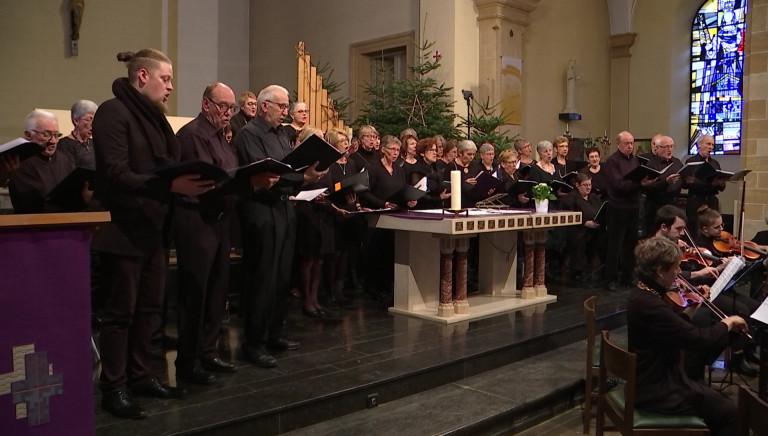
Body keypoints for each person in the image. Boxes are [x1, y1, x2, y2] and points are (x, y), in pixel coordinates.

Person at [92, 48, 215, 419]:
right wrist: (172, 187)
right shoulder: (113, 113)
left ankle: (141, 375)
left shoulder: (156, 118)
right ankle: (114, 387)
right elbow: (114, 174)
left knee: (149, 310)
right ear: (143, 76)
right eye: (166, 79)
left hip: (155, 230)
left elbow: (164, 166)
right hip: (123, 230)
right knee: (120, 313)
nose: (171, 87)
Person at [173, 82, 273, 385]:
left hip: (220, 221)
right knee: (196, 293)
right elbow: (208, 180)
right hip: (196, 220)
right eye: (222, 107)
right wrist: (249, 182)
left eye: (230, 108)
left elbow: (230, 172)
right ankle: (188, 361)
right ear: (206, 104)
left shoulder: (220, 137)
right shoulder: (192, 135)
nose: (228, 113)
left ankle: (208, 350)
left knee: (217, 291)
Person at [235, 84, 325, 368]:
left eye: (287, 106)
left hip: (284, 207)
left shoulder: (282, 134)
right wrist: (302, 179)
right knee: (263, 276)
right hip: (261, 209)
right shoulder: (249, 134)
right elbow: (264, 173)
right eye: (282, 106)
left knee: (282, 275)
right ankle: (254, 342)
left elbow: (287, 168)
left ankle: (274, 332)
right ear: (264, 106)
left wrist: (301, 175)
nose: (286, 112)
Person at [628, 237, 746, 436]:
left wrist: (692, 309)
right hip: (656, 389)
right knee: (729, 412)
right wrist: (727, 323)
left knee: (716, 401)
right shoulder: (650, 304)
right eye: (675, 268)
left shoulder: (644, 293)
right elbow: (698, 339)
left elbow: (671, 328)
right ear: (659, 271)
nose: (679, 273)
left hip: (658, 377)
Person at [293, 127, 335, 319]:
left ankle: (316, 298)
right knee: (308, 259)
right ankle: (307, 299)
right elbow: (296, 186)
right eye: (318, 139)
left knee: (320, 258)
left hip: (322, 212)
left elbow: (331, 185)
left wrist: (325, 197)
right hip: (305, 212)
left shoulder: (326, 163)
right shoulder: (301, 162)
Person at [602, 131, 652, 292]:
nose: (630, 146)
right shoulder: (612, 161)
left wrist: (640, 183)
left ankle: (627, 276)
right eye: (626, 143)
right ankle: (610, 278)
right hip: (617, 206)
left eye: (631, 143)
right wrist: (640, 184)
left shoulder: (636, 160)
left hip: (633, 205)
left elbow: (634, 180)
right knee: (615, 245)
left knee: (631, 244)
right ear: (618, 144)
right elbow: (618, 185)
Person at [9, 110, 82, 213]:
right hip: (34, 225)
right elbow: (33, 204)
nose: (52, 141)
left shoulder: (64, 159)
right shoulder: (19, 162)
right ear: (28, 135)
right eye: (46, 134)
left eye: (56, 135)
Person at [560, 172, 604, 281]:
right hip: (576, 229)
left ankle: (603, 270)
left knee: (605, 238)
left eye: (589, 184)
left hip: (593, 231)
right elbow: (569, 216)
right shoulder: (571, 198)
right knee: (580, 240)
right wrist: (585, 223)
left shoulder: (594, 198)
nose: (588, 187)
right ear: (578, 185)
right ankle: (577, 271)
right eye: (585, 185)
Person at [642, 135, 682, 236]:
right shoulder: (650, 164)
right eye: (666, 147)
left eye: (671, 146)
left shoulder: (677, 163)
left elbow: (683, 181)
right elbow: (647, 188)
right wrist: (666, 182)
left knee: (673, 235)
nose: (669, 150)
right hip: (656, 206)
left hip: (673, 204)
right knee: (654, 236)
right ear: (657, 148)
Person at [684, 134, 726, 230]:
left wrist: (719, 183)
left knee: (715, 228)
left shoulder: (714, 163)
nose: (710, 147)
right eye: (708, 144)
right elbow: (688, 183)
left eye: (712, 145)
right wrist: (710, 184)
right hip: (696, 201)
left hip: (712, 201)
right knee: (696, 229)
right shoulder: (691, 162)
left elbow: (722, 186)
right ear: (699, 144)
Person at [407, 137, 450, 209]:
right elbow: (419, 195)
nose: (435, 153)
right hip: (423, 210)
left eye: (435, 150)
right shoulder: (417, 169)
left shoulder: (436, 167)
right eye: (431, 150)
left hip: (436, 208)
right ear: (422, 153)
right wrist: (439, 197)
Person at [58, 99, 98, 170]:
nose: (93, 124)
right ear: (76, 120)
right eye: (89, 119)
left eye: (95, 120)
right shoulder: (64, 144)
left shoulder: (94, 143)